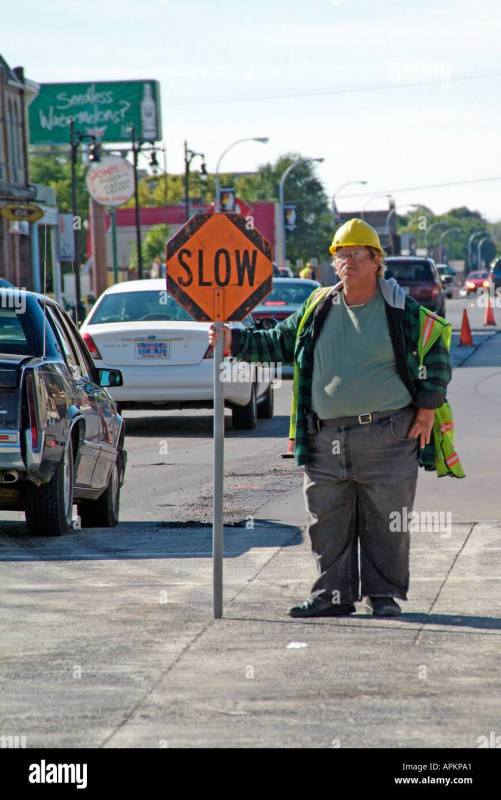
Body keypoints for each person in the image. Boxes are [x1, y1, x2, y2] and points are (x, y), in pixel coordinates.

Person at [209, 218, 455, 619]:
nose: (348, 262)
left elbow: (436, 352)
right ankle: (333, 596)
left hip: (389, 434)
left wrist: (426, 410)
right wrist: (233, 340)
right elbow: (278, 342)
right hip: (323, 437)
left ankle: (383, 597)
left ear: (377, 261)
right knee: (326, 522)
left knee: (386, 522)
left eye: (358, 254)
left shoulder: (401, 310)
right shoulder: (317, 306)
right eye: (341, 255)